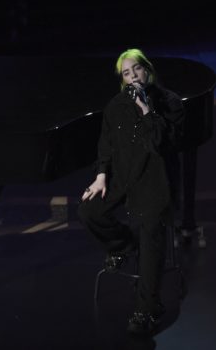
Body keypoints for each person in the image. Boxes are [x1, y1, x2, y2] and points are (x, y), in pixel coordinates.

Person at [77, 48, 185, 336]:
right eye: (126, 72)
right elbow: (106, 145)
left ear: (147, 69)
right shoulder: (115, 106)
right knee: (88, 210)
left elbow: (163, 144)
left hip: (154, 181)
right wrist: (101, 177)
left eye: (136, 68)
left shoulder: (170, 102)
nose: (133, 75)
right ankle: (125, 246)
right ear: (122, 80)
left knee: (152, 233)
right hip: (123, 178)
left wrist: (147, 110)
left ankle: (146, 309)